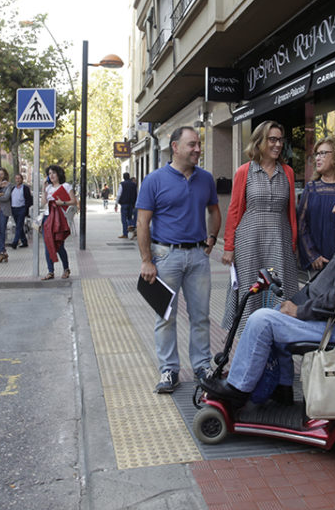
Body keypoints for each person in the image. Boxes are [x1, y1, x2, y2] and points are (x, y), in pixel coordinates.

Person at [201, 182, 335, 404]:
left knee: (261, 320)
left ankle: (238, 387)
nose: (334, 209)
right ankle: (282, 387)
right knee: (276, 311)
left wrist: (300, 311)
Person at [137, 126, 221, 394]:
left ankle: (202, 366)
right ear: (175, 147)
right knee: (165, 316)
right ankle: (169, 370)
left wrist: (212, 237)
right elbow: (142, 222)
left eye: (199, 144)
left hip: (198, 256)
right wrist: (146, 260)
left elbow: (214, 211)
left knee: (201, 316)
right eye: (192, 144)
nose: (197, 149)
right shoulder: (154, 180)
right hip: (165, 256)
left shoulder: (205, 179)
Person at [222, 120, 298, 334]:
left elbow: (291, 212)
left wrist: (293, 243)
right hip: (249, 241)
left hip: (280, 240)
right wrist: (229, 247)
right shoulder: (244, 171)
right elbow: (234, 210)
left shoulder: (288, 172)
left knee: (279, 289)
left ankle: (278, 340)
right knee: (251, 289)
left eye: (280, 140)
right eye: (272, 139)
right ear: (259, 141)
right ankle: (248, 339)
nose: (278, 145)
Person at [296, 135, 335, 273]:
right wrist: (312, 255)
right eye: (317, 154)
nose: (318, 158)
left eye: (323, 153)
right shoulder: (311, 188)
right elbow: (301, 225)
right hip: (318, 263)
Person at [41, 165, 77, 280]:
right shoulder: (48, 188)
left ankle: (66, 268)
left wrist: (63, 203)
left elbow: (74, 201)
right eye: (49, 174)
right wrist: (43, 189)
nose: (51, 176)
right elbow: (43, 203)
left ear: (58, 174)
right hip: (48, 218)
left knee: (59, 244)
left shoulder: (65, 186)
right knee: (48, 244)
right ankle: (50, 271)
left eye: (53, 173)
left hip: (59, 219)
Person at [8, 173, 33, 249]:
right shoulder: (13, 188)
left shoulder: (25, 188)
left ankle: (15, 242)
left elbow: (29, 199)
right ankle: (24, 241)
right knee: (19, 226)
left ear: (22, 179)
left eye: (19, 178)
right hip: (14, 209)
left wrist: (26, 208)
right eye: (16, 178)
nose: (18, 180)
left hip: (22, 208)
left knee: (18, 226)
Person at [116, 172, 138, 239]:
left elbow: (119, 194)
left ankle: (125, 234)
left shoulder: (122, 184)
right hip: (131, 204)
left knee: (124, 219)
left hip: (124, 204)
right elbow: (136, 194)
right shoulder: (134, 184)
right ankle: (133, 230)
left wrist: (116, 203)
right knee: (130, 218)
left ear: (123, 177)